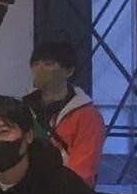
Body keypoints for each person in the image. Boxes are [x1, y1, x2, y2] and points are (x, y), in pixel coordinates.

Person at [25, 39, 103, 186]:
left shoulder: (87, 116)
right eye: (35, 64)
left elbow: (83, 173)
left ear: (69, 71)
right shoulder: (22, 109)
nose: (39, 69)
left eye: (48, 64)